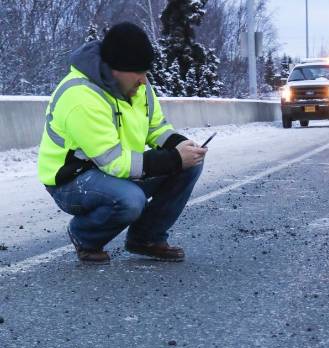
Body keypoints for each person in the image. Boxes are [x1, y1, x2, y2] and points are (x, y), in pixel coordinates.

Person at [37, 22, 207, 264]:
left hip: (112, 170)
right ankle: (84, 235)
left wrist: (180, 145)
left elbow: (155, 127)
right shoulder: (80, 96)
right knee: (130, 200)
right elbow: (114, 162)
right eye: (138, 72)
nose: (144, 81)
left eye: (146, 72)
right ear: (115, 69)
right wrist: (173, 158)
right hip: (71, 180)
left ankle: (146, 238)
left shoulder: (138, 87)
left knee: (189, 164)